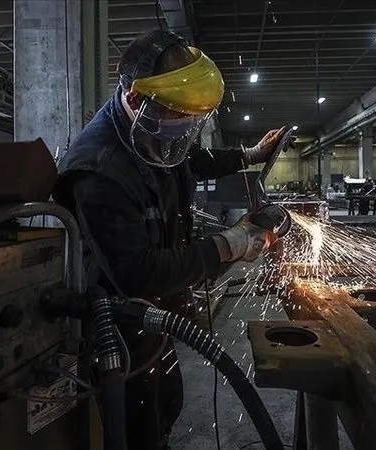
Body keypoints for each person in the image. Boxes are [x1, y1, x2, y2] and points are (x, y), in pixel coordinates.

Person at [52, 29, 287, 449]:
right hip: (114, 327)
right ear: (137, 100)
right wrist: (231, 244)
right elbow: (139, 274)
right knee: (135, 426)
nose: (184, 129)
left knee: (168, 403)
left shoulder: (152, 130)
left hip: (155, 318)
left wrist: (248, 156)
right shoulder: (97, 171)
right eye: (178, 116)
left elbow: (187, 156)